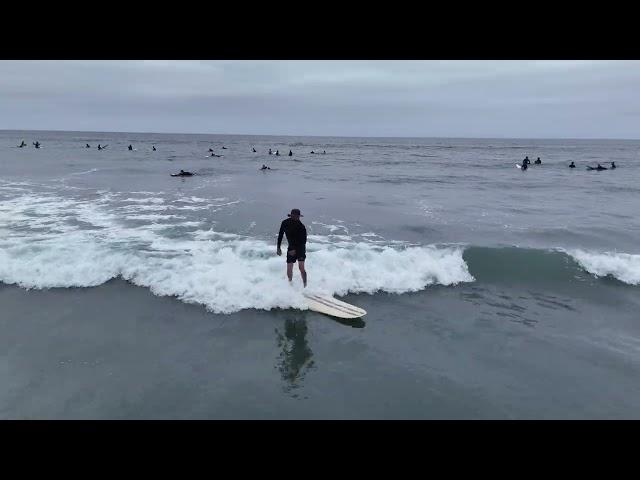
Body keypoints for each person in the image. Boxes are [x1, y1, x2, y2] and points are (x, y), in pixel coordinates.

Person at [277, 209, 307, 287]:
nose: (297, 218)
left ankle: (305, 285)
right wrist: (278, 247)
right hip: (291, 248)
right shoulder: (285, 223)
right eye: (295, 216)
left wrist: (295, 250)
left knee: (301, 268)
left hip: (300, 248)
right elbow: (280, 235)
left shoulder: (301, 226)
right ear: (291, 215)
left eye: (298, 216)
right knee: (289, 267)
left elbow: (303, 241)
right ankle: (290, 284)